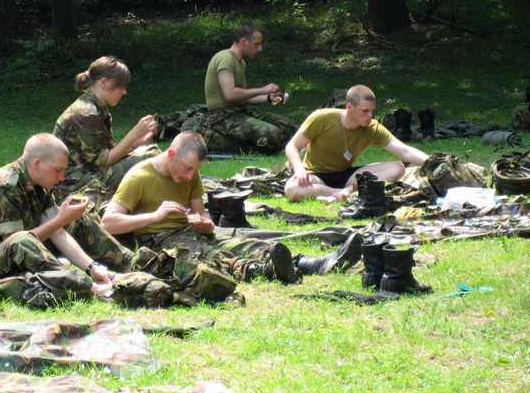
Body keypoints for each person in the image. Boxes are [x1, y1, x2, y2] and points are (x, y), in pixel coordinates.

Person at [100, 131, 362, 284]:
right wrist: (155, 216)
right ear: (171, 155)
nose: (191, 176)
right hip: (159, 240)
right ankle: (266, 271)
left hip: (190, 232)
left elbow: (201, 214)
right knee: (208, 257)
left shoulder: (191, 175)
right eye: (187, 168)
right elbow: (108, 223)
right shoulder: (139, 177)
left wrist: (205, 223)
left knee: (252, 244)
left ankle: (312, 263)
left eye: (196, 170)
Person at [0, 133, 136, 301]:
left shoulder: (39, 184)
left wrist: (91, 267)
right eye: (58, 171)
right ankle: (85, 286)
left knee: (78, 220)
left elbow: (57, 232)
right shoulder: (3, 186)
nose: (61, 178)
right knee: (22, 239)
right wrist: (61, 219)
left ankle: (130, 266)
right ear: (37, 163)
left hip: (25, 250)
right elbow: (16, 244)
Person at [284, 84, 430, 201]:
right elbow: (292, 146)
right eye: (365, 111)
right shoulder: (322, 118)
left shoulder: (372, 127)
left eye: (372, 111)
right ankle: (339, 193)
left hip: (348, 176)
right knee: (291, 189)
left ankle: (348, 191)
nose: (370, 116)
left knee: (397, 168)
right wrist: (299, 169)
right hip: (316, 176)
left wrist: (434, 164)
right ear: (349, 107)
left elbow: (406, 151)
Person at [53, 56, 159, 204]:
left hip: (85, 175)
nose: (124, 92)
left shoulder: (94, 107)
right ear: (103, 82)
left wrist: (134, 144)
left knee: (150, 154)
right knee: (151, 158)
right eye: (120, 86)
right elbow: (102, 162)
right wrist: (134, 134)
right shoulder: (86, 114)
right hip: (74, 186)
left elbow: (103, 154)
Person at [190, 23, 297, 154]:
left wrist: (269, 98)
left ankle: (265, 144)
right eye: (257, 44)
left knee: (289, 125)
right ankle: (257, 145)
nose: (260, 49)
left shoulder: (241, 62)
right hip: (223, 118)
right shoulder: (225, 58)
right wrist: (262, 90)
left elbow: (244, 98)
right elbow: (230, 95)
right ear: (244, 41)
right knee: (271, 133)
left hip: (239, 112)